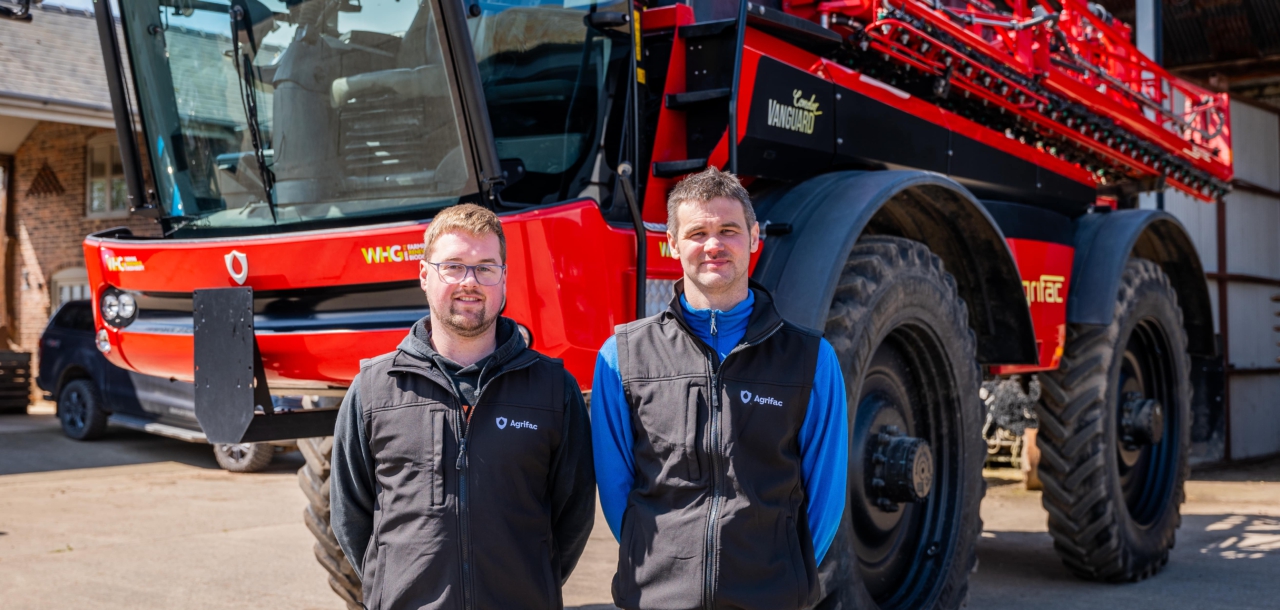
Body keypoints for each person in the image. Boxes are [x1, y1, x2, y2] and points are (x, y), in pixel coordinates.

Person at [592, 167, 849, 610]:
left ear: (753, 238)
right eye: (697, 232)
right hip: (656, 598)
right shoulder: (621, 357)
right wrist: (659, 564)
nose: (713, 245)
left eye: (728, 230)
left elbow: (826, 496)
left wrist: (787, 567)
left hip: (773, 598)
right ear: (672, 244)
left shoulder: (811, 359)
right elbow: (617, 492)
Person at [331, 203, 595, 609]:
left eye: (485, 268)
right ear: (424, 275)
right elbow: (350, 516)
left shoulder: (553, 390)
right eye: (452, 266)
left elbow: (572, 518)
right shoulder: (373, 389)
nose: (469, 282)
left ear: (504, 280)